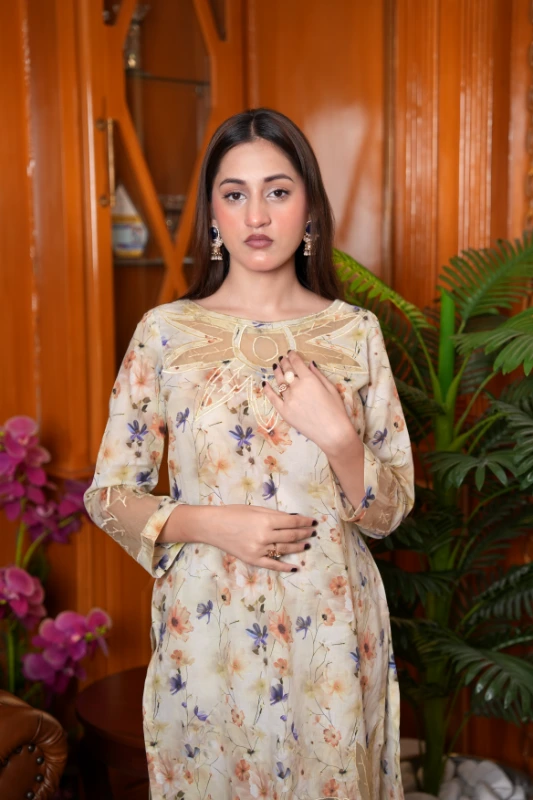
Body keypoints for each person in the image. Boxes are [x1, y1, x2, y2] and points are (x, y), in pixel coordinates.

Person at [84, 107, 414, 800]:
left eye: (278, 191)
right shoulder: (164, 333)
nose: (256, 215)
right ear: (212, 215)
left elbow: (388, 514)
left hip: (331, 625)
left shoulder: (355, 334)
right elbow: (108, 497)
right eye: (234, 194)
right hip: (209, 628)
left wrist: (339, 439)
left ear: (310, 209)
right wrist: (210, 523)